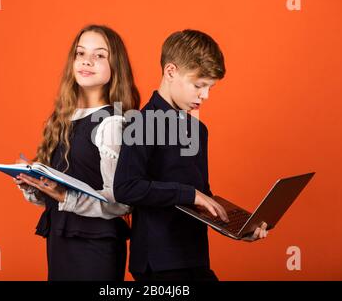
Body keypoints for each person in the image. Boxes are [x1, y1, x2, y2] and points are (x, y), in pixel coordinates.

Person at [113, 29, 268, 281]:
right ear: (171, 71)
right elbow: (126, 187)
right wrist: (189, 193)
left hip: (194, 256)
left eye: (210, 88)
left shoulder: (198, 129)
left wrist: (237, 227)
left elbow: (202, 195)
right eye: (199, 85)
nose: (205, 96)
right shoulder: (140, 123)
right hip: (158, 262)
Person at [13, 24, 140, 281]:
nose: (87, 61)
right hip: (60, 242)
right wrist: (34, 184)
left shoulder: (112, 124)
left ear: (116, 66)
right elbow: (56, 196)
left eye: (99, 55)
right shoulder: (61, 119)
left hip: (96, 248)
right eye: (81, 53)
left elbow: (122, 200)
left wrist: (65, 196)